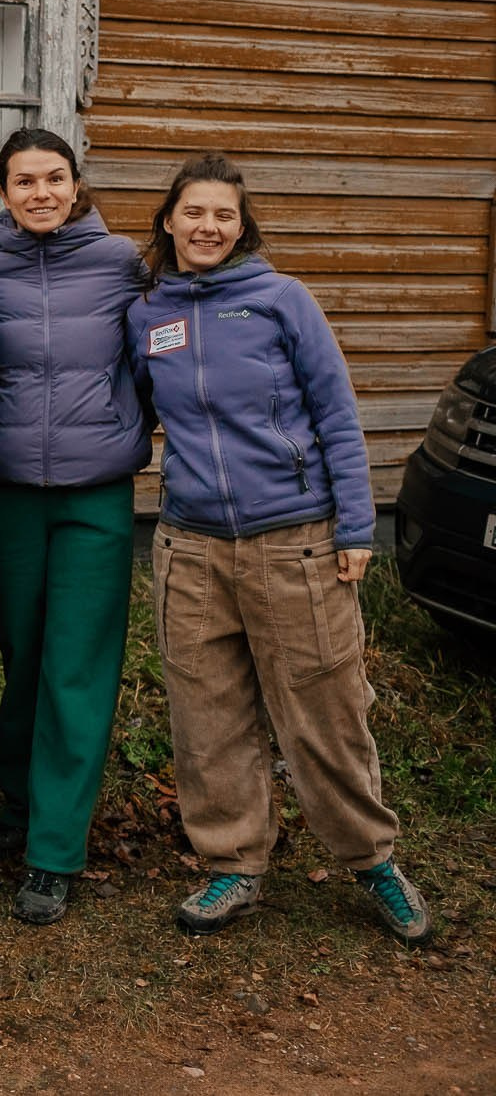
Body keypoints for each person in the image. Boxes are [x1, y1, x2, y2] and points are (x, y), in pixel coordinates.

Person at [129, 153, 431, 946]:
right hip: (191, 548)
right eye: (194, 213)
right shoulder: (148, 313)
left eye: (224, 215)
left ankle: (372, 860)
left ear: (242, 224)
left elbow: (335, 411)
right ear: (169, 220)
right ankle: (235, 863)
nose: (207, 227)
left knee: (324, 712)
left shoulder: (281, 300)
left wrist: (357, 528)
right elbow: (131, 409)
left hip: (295, 539)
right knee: (208, 718)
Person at [0, 128, 150, 925]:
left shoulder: (120, 265)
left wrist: (123, 428)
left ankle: (54, 850)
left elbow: (153, 360)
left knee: (75, 667)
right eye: (23, 181)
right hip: (7, 494)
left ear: (78, 185)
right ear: (2, 192)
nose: (40, 193)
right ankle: (18, 806)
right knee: (23, 654)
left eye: (54, 178)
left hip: (95, 497)